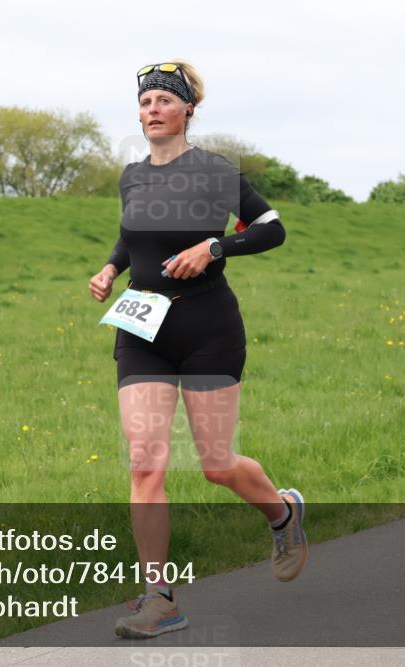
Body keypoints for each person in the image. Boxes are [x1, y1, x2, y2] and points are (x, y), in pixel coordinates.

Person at [88, 60, 307, 640]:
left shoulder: (214, 171)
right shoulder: (132, 176)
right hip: (142, 327)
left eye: (163, 99)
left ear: (187, 109)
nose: (151, 109)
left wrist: (215, 246)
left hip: (208, 326)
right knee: (145, 461)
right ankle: (159, 597)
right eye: (145, 101)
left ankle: (282, 512)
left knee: (215, 465)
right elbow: (132, 232)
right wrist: (112, 266)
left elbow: (272, 226)